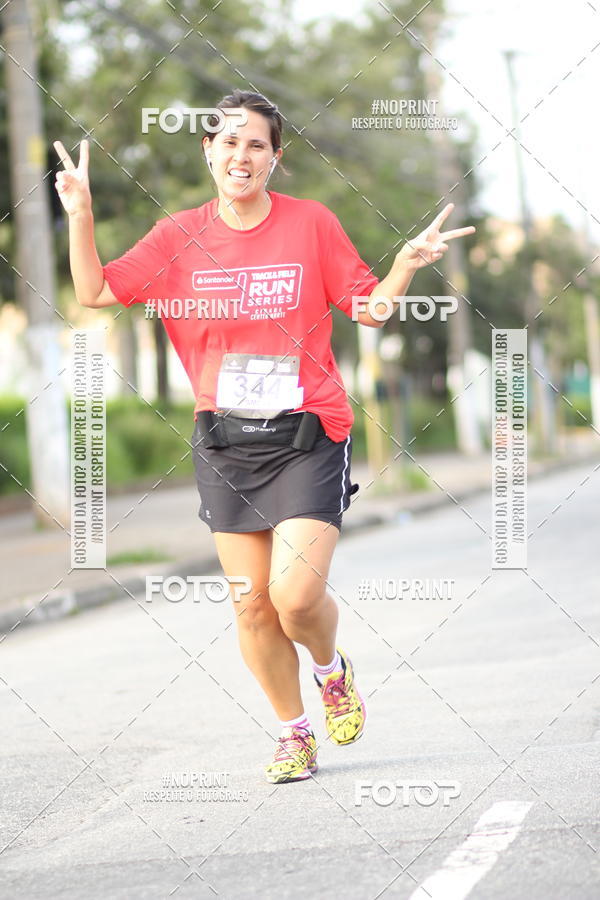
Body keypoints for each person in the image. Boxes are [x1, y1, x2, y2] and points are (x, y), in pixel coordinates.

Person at [54, 89, 475, 784]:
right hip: (226, 442)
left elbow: (368, 310)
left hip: (308, 434)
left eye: (257, 144)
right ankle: (293, 732)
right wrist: (82, 214)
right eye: (229, 142)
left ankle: (330, 670)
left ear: (276, 157)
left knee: (294, 598)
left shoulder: (311, 224)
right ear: (208, 151)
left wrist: (404, 264)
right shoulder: (177, 237)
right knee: (251, 605)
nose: (241, 156)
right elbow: (95, 292)